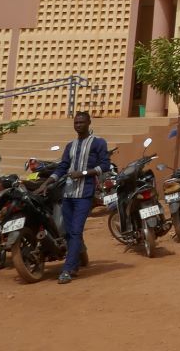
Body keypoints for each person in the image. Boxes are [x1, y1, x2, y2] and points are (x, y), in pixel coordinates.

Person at [53, 111, 111, 285]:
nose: (78, 125)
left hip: (84, 194)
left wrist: (84, 173)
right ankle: (75, 263)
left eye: (81, 122)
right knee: (68, 232)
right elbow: (63, 167)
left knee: (76, 231)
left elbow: (105, 165)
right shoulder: (70, 145)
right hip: (68, 194)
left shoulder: (98, 142)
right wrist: (48, 182)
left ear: (89, 122)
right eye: (76, 122)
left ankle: (67, 270)